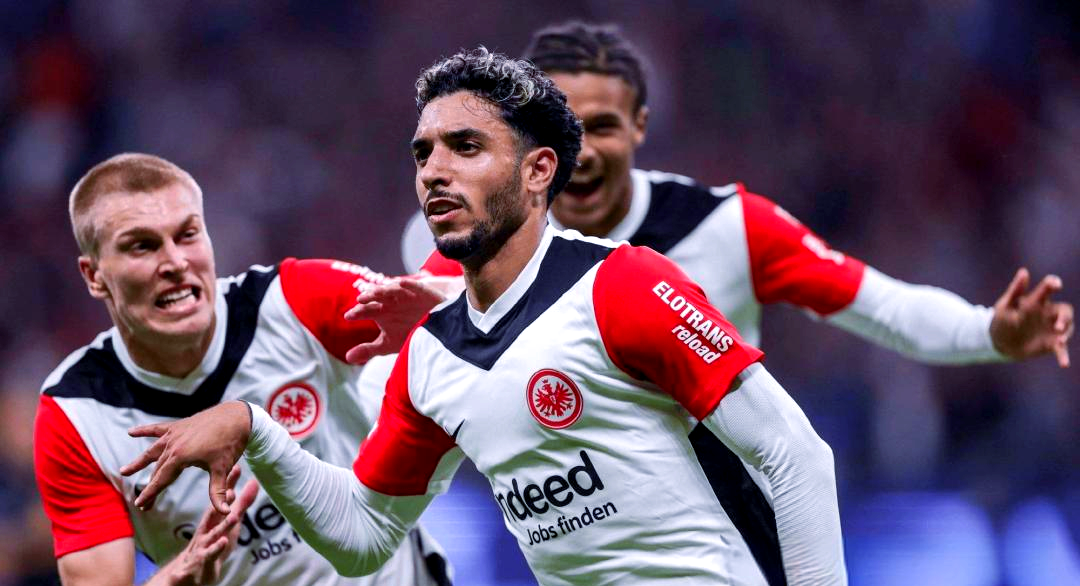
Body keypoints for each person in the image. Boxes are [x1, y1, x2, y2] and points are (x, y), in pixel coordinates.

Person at [120, 48, 848, 586]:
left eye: (465, 147)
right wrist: (255, 429)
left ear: (538, 172)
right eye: (423, 153)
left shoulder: (622, 285)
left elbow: (796, 457)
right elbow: (364, 535)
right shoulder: (431, 356)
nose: (434, 170)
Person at [403, 21, 1073, 371]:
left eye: (601, 125)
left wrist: (989, 332)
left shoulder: (727, 226)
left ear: (639, 127)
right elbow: (408, 365)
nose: (583, 149)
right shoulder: (488, 251)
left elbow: (886, 308)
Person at [33, 153, 452, 586]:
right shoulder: (74, 415)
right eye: (142, 245)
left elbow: (446, 309)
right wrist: (176, 581)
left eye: (188, 235)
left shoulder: (295, 300)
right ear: (95, 275)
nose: (175, 262)